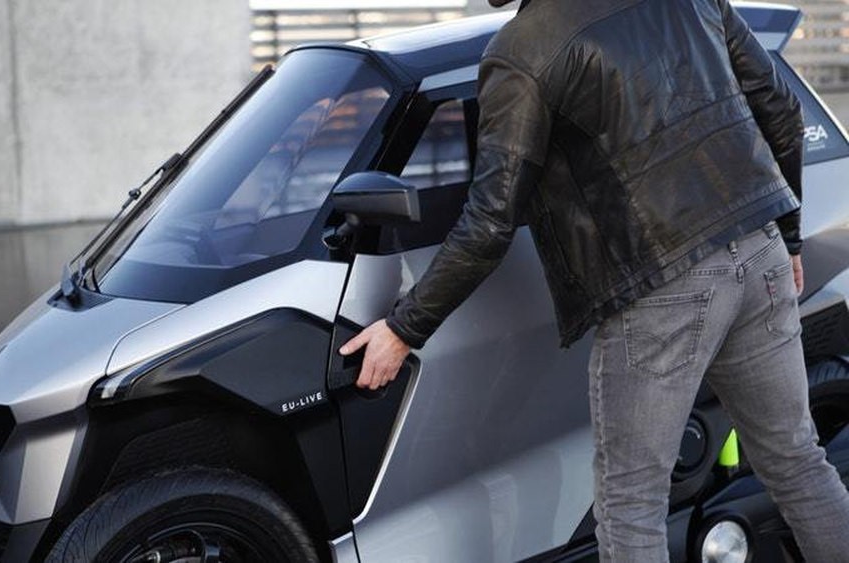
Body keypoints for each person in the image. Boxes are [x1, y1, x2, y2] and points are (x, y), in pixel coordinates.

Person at [338, 0, 849, 560]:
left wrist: (404, 328)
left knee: (632, 508)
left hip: (662, 284)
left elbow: (489, 221)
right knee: (798, 463)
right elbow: (781, 111)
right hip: (760, 248)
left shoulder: (522, 50)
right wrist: (789, 237)